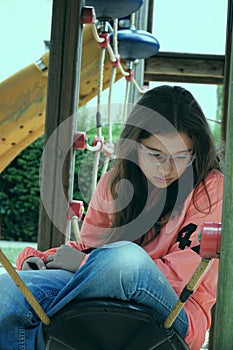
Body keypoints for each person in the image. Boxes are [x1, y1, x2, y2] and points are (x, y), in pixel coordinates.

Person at [0, 85, 223, 350]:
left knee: (125, 259)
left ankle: (51, 324)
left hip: (176, 310)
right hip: (103, 288)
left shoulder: (211, 188)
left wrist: (83, 264)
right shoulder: (116, 182)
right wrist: (43, 260)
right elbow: (93, 252)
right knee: (8, 291)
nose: (167, 167)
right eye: (155, 154)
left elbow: (178, 279)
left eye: (181, 156)